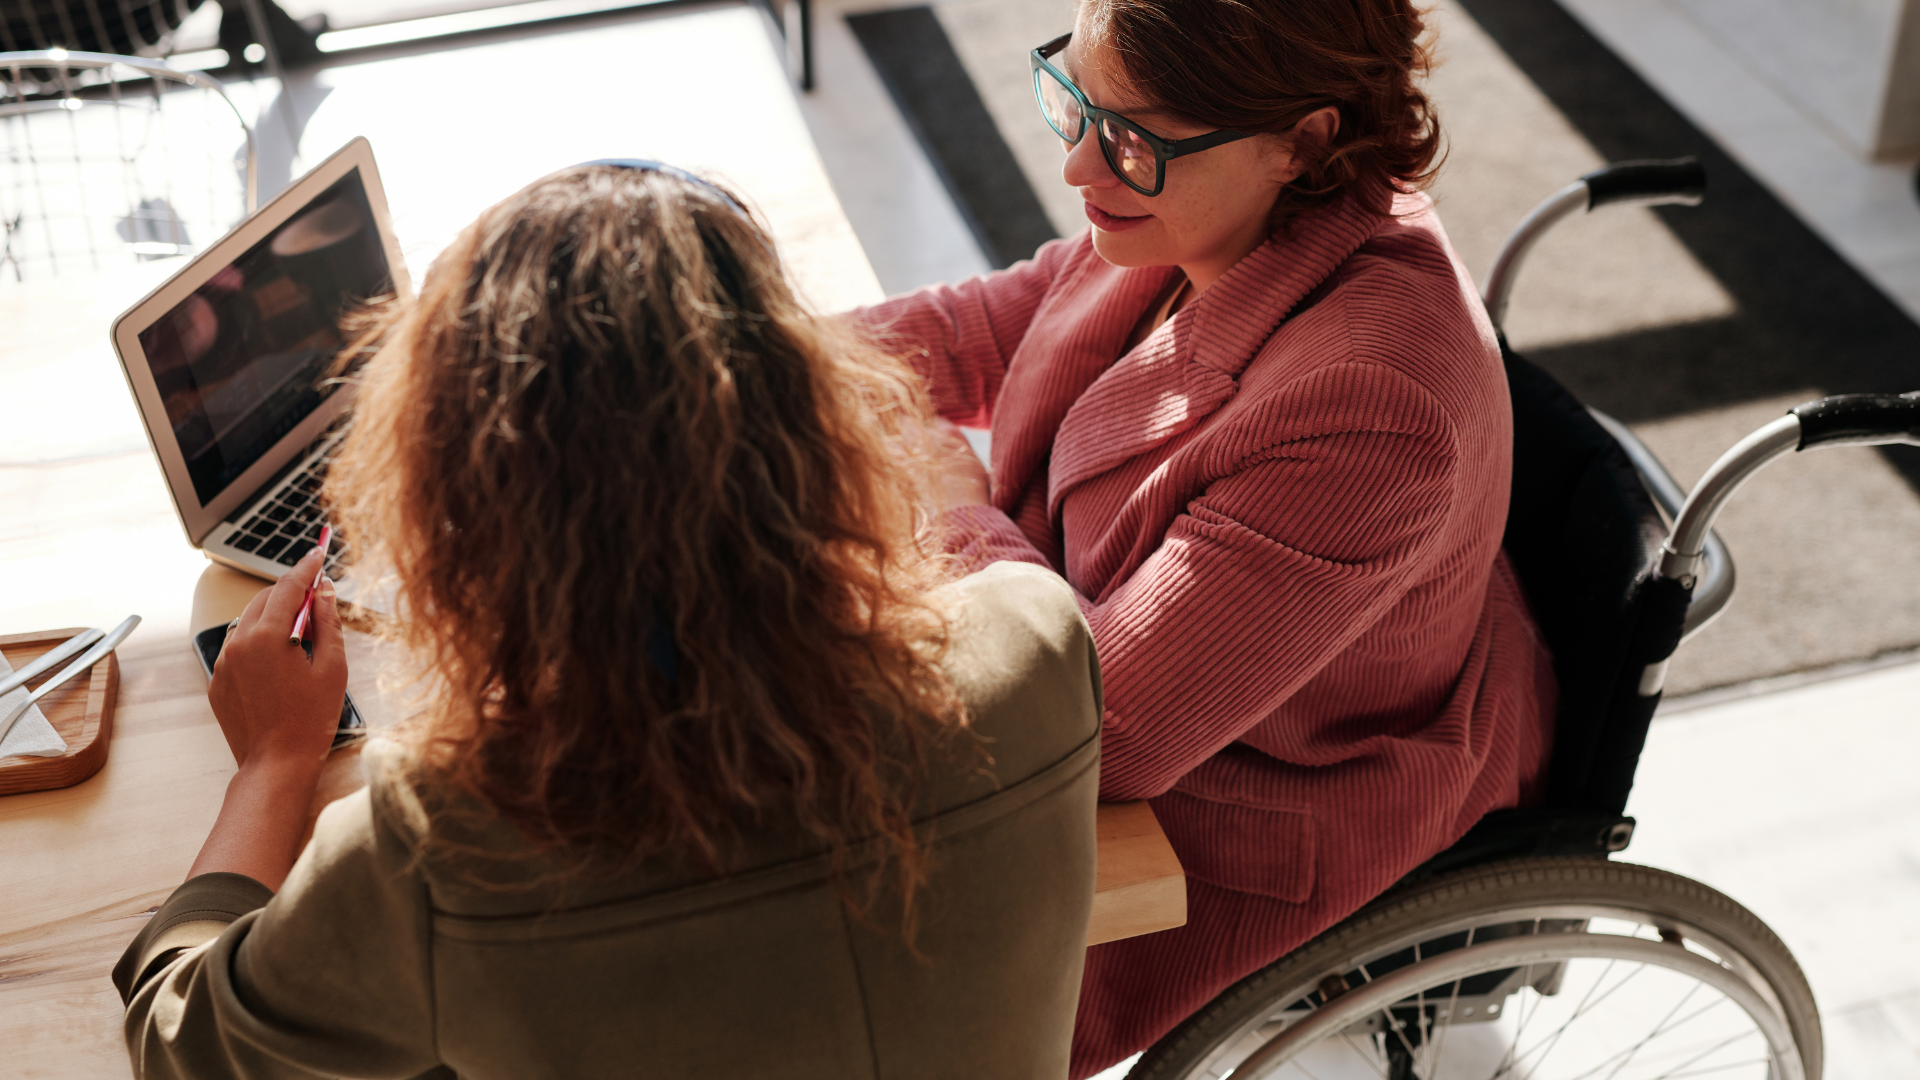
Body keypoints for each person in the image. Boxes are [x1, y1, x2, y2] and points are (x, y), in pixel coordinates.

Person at [113, 163, 1105, 1080]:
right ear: (818, 424)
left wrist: (275, 763)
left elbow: (181, 1047)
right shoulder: (1039, 645)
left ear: (458, 509)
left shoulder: (439, 847)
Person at [856, 0, 1559, 1073]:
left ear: (1305, 140)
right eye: (1073, 100)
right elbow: (1001, 321)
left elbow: (1110, 729)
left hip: (1249, 808)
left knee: (836, 921)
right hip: (1156, 679)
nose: (1079, 169)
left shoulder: (1371, 400)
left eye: (1130, 139)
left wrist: (948, 497)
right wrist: (740, 359)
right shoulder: (1204, 200)